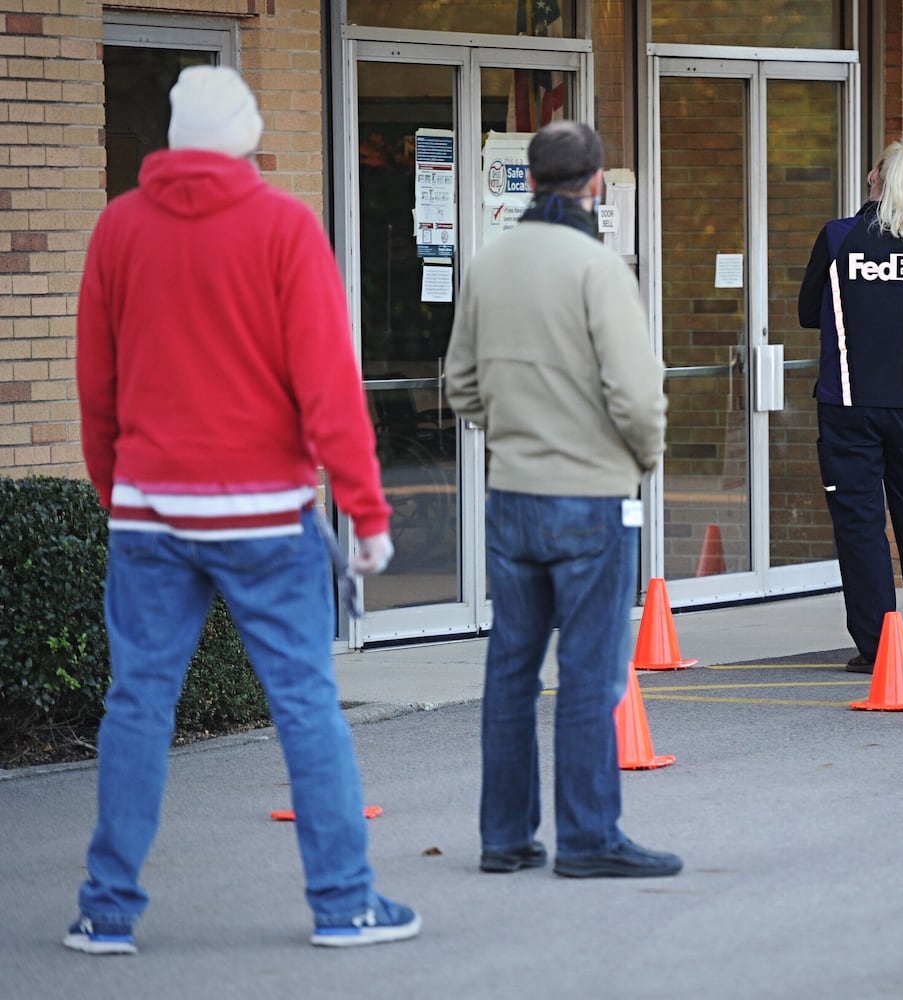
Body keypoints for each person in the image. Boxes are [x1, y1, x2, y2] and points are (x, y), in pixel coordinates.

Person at [69, 66, 418, 953]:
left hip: (150, 512)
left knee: (137, 706)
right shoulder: (283, 227)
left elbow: (96, 383)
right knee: (305, 703)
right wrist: (366, 511)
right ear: (248, 138)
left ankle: (106, 912)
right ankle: (344, 905)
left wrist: (120, 492)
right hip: (266, 514)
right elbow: (327, 385)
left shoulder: (118, 227)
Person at [444, 121, 680, 879]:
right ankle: (588, 839)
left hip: (512, 492)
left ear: (533, 180)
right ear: (597, 182)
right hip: (591, 495)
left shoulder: (487, 264)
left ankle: (505, 837)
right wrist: (641, 461)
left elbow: (459, 387)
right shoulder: (598, 267)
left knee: (510, 669)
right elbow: (638, 396)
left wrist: (511, 428)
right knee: (589, 672)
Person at [797, 139, 903, 675]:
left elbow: (806, 313)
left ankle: (876, 645)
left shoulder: (837, 236)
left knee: (860, 525)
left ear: (874, 178)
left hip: (847, 404)